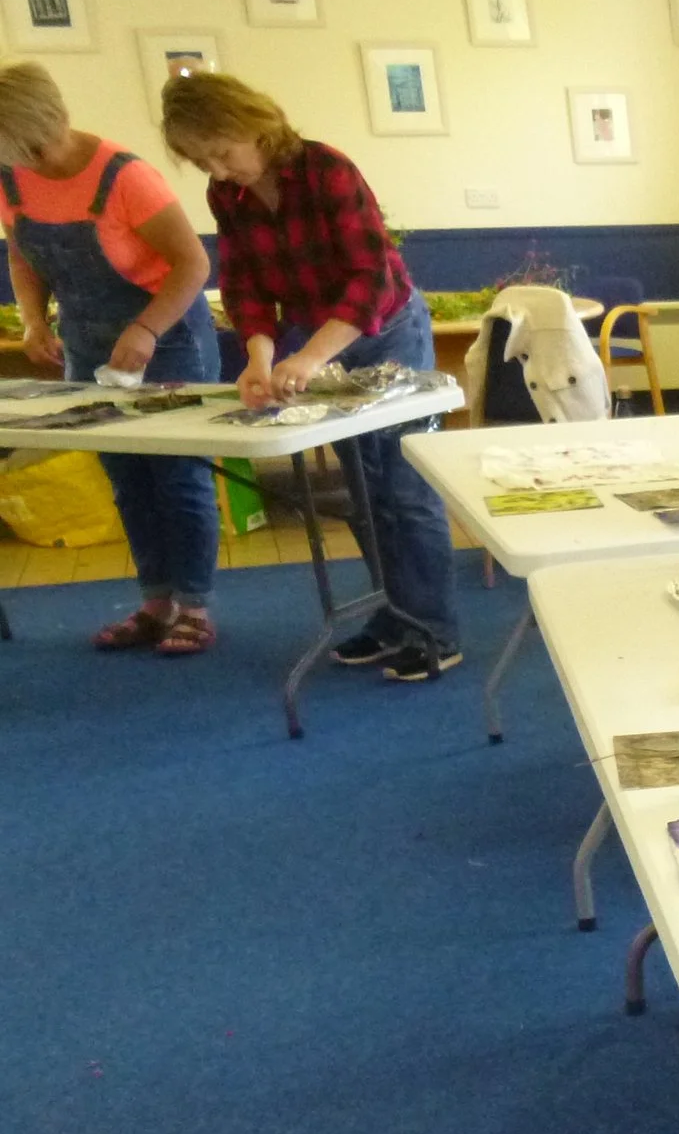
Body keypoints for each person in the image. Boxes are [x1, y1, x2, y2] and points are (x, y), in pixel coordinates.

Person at [161, 72, 461, 680]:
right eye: (202, 162)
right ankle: (394, 614)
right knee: (364, 492)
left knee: (403, 488)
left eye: (223, 152)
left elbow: (371, 279)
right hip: (317, 339)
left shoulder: (327, 169)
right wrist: (260, 358)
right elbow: (245, 284)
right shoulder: (230, 196)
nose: (218, 172)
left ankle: (434, 631)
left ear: (256, 124)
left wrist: (311, 355)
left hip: (386, 330)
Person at [0, 61, 220, 655]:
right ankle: (155, 603)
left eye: (33, 148)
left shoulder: (125, 177)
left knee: (178, 478)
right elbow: (24, 254)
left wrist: (147, 328)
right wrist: (31, 317)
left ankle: (194, 607)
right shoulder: (10, 177)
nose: (29, 162)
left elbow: (193, 265)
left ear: (54, 122)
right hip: (89, 342)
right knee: (127, 479)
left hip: (168, 336)